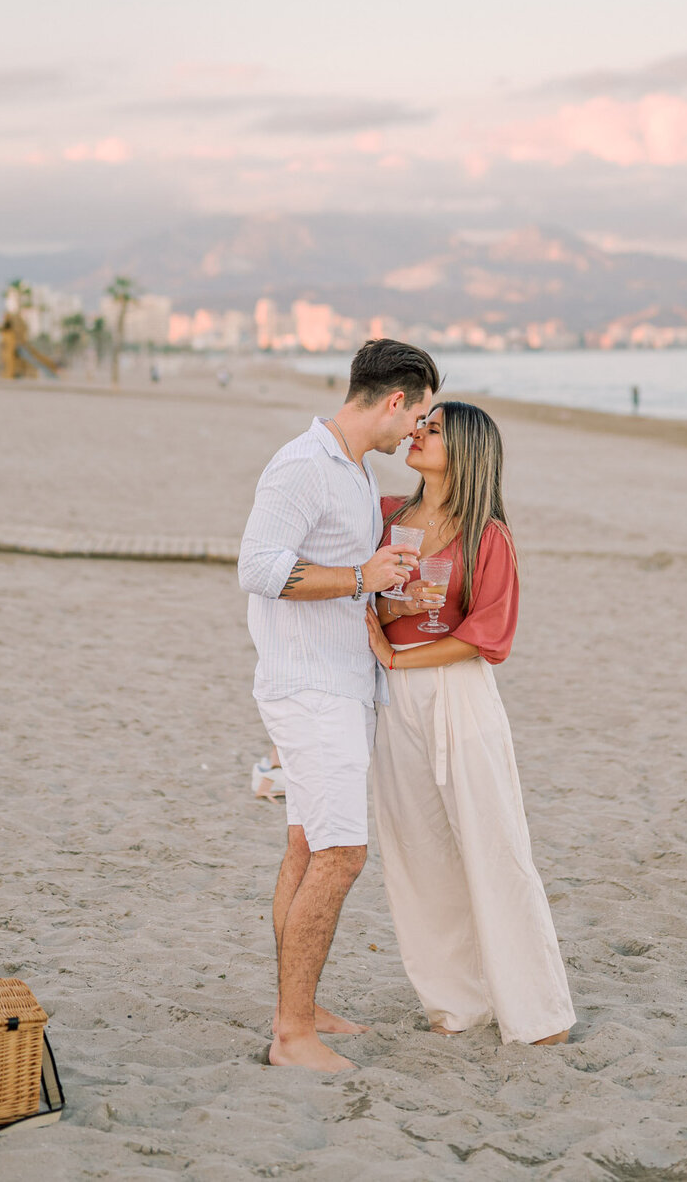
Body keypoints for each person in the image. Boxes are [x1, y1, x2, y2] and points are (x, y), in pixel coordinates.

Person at [238, 338, 441, 1072]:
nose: (416, 432)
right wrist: (361, 574)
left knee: (306, 847)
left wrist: (379, 584)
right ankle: (292, 1035)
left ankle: (301, 1006)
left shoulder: (352, 470)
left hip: (339, 681)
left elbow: (344, 573)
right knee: (341, 855)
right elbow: (258, 568)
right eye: (418, 416)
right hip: (309, 688)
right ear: (395, 400)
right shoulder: (302, 465)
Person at [366, 401, 576, 1046]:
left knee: (494, 846)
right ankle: (455, 1003)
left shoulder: (487, 535)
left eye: (434, 430)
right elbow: (358, 585)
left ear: (466, 452)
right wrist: (378, 619)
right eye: (419, 424)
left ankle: (537, 1012)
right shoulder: (385, 517)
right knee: (417, 852)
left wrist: (398, 652)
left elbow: (488, 636)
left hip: (457, 693)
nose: (417, 434)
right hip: (393, 701)